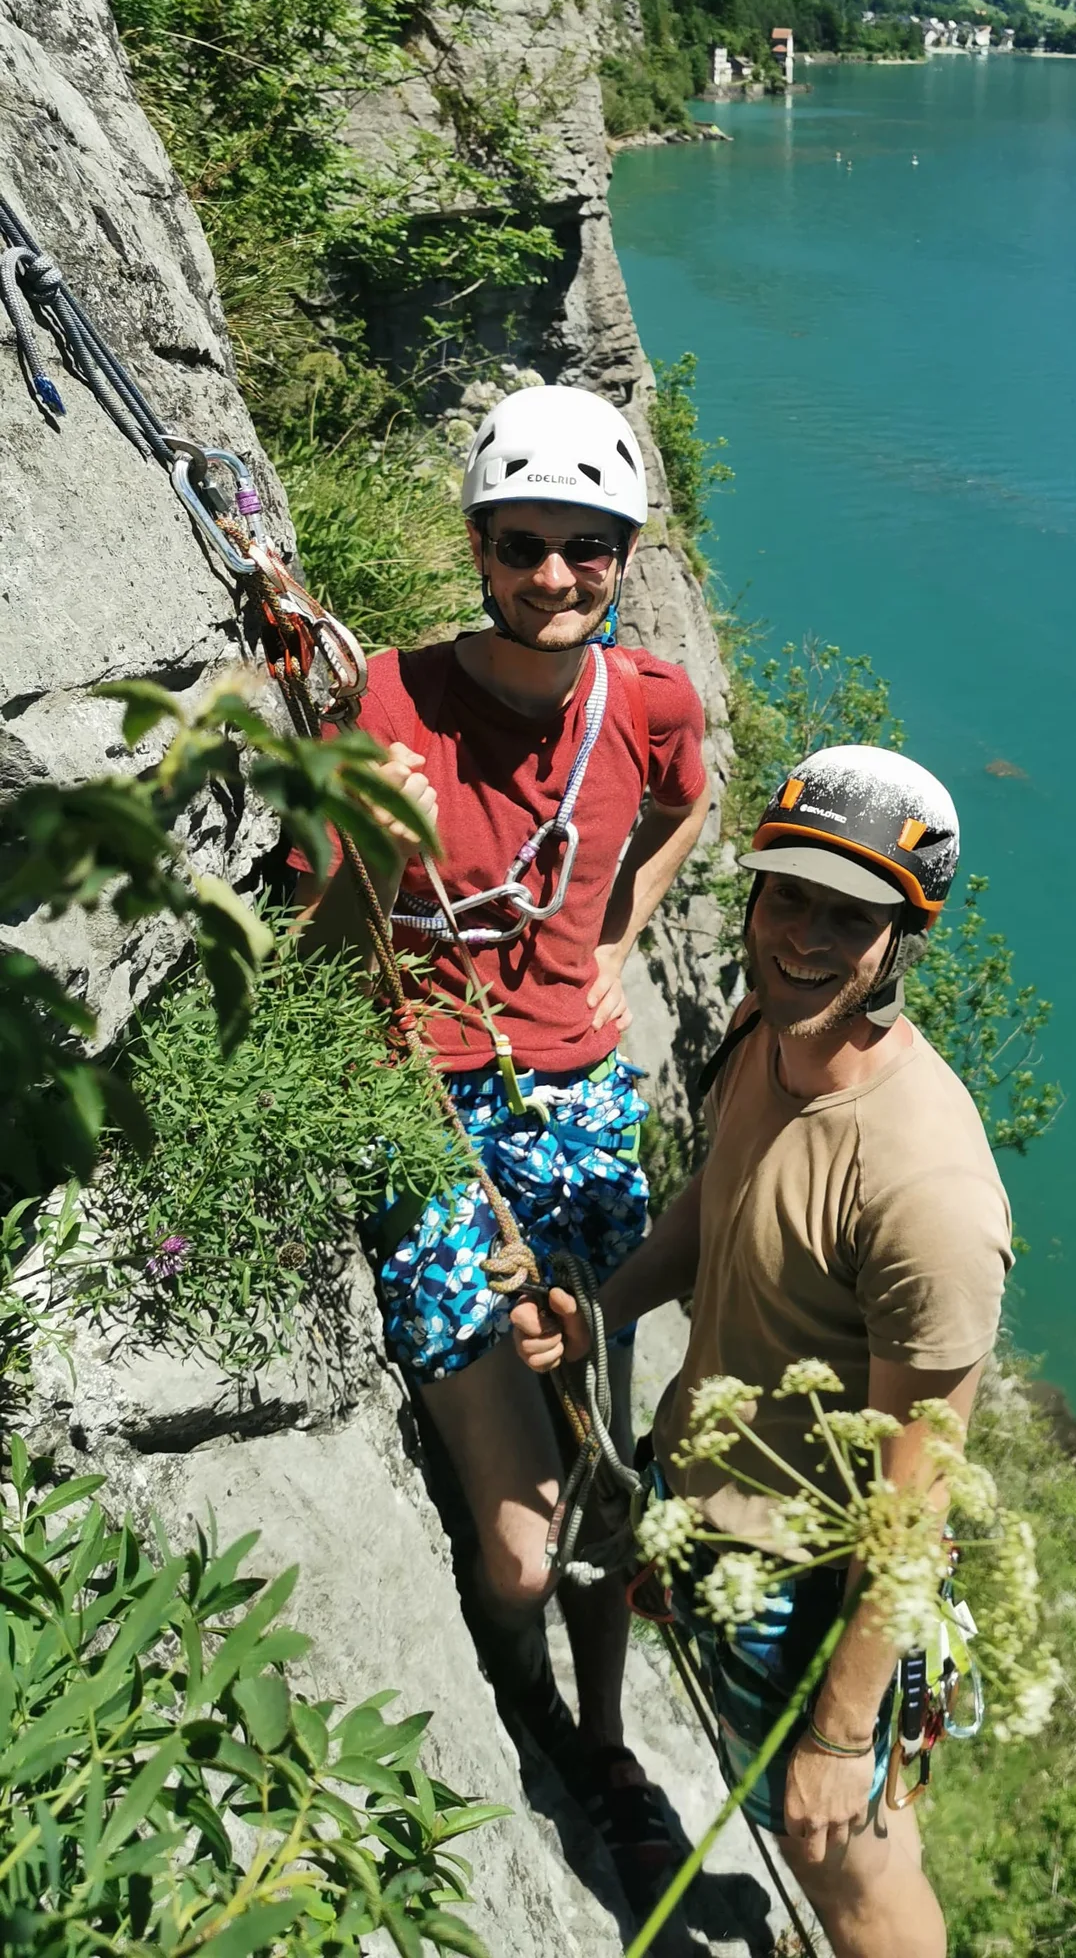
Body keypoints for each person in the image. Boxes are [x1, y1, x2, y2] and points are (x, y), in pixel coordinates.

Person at [302, 382, 711, 1897]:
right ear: (479, 546)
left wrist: (627, 931)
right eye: (525, 545)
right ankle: (521, 1682)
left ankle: (603, 1739)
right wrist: (371, 844)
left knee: (613, 1479)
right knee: (531, 1547)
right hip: (430, 1116)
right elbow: (313, 950)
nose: (554, 578)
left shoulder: (649, 700)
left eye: (587, 550)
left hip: (586, 1103)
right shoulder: (386, 708)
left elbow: (690, 795)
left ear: (622, 557)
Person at [513, 743, 1014, 1958]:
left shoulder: (928, 1190)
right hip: (707, 1521)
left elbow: (917, 1494)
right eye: (788, 893)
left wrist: (846, 1729)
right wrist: (607, 1306)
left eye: (853, 916)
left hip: (810, 1598)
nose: (803, 935)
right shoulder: (764, 1031)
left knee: (849, 1873)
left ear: (906, 938)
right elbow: (716, 1205)